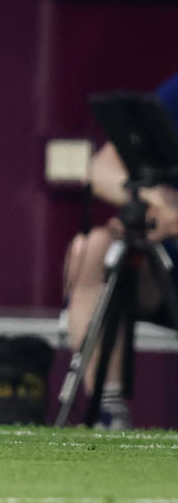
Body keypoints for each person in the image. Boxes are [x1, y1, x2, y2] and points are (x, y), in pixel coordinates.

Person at [63, 71, 178, 429]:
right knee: (91, 248)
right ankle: (108, 411)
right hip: (165, 275)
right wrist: (154, 200)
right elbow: (100, 170)